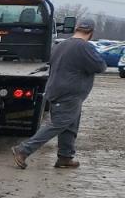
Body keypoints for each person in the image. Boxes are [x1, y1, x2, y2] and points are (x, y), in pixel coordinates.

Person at [13, 19, 106, 169]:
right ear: (91, 33)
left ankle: (65, 157)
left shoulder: (60, 45)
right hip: (69, 93)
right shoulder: (84, 47)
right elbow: (100, 66)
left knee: (70, 124)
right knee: (58, 124)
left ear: (76, 29)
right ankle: (23, 149)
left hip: (58, 90)